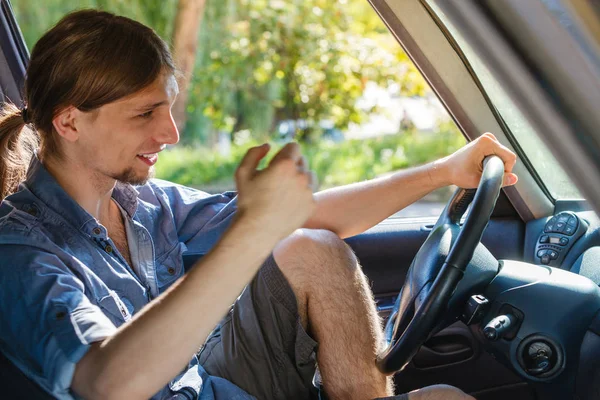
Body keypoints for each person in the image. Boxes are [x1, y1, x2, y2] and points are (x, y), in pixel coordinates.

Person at [0, 10, 518, 400]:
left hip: (213, 386)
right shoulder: (17, 249)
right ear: (69, 123)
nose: (171, 132)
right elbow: (106, 383)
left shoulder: (146, 204)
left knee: (311, 247)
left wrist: (445, 170)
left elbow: (312, 218)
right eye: (145, 113)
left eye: (169, 107)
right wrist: (252, 231)